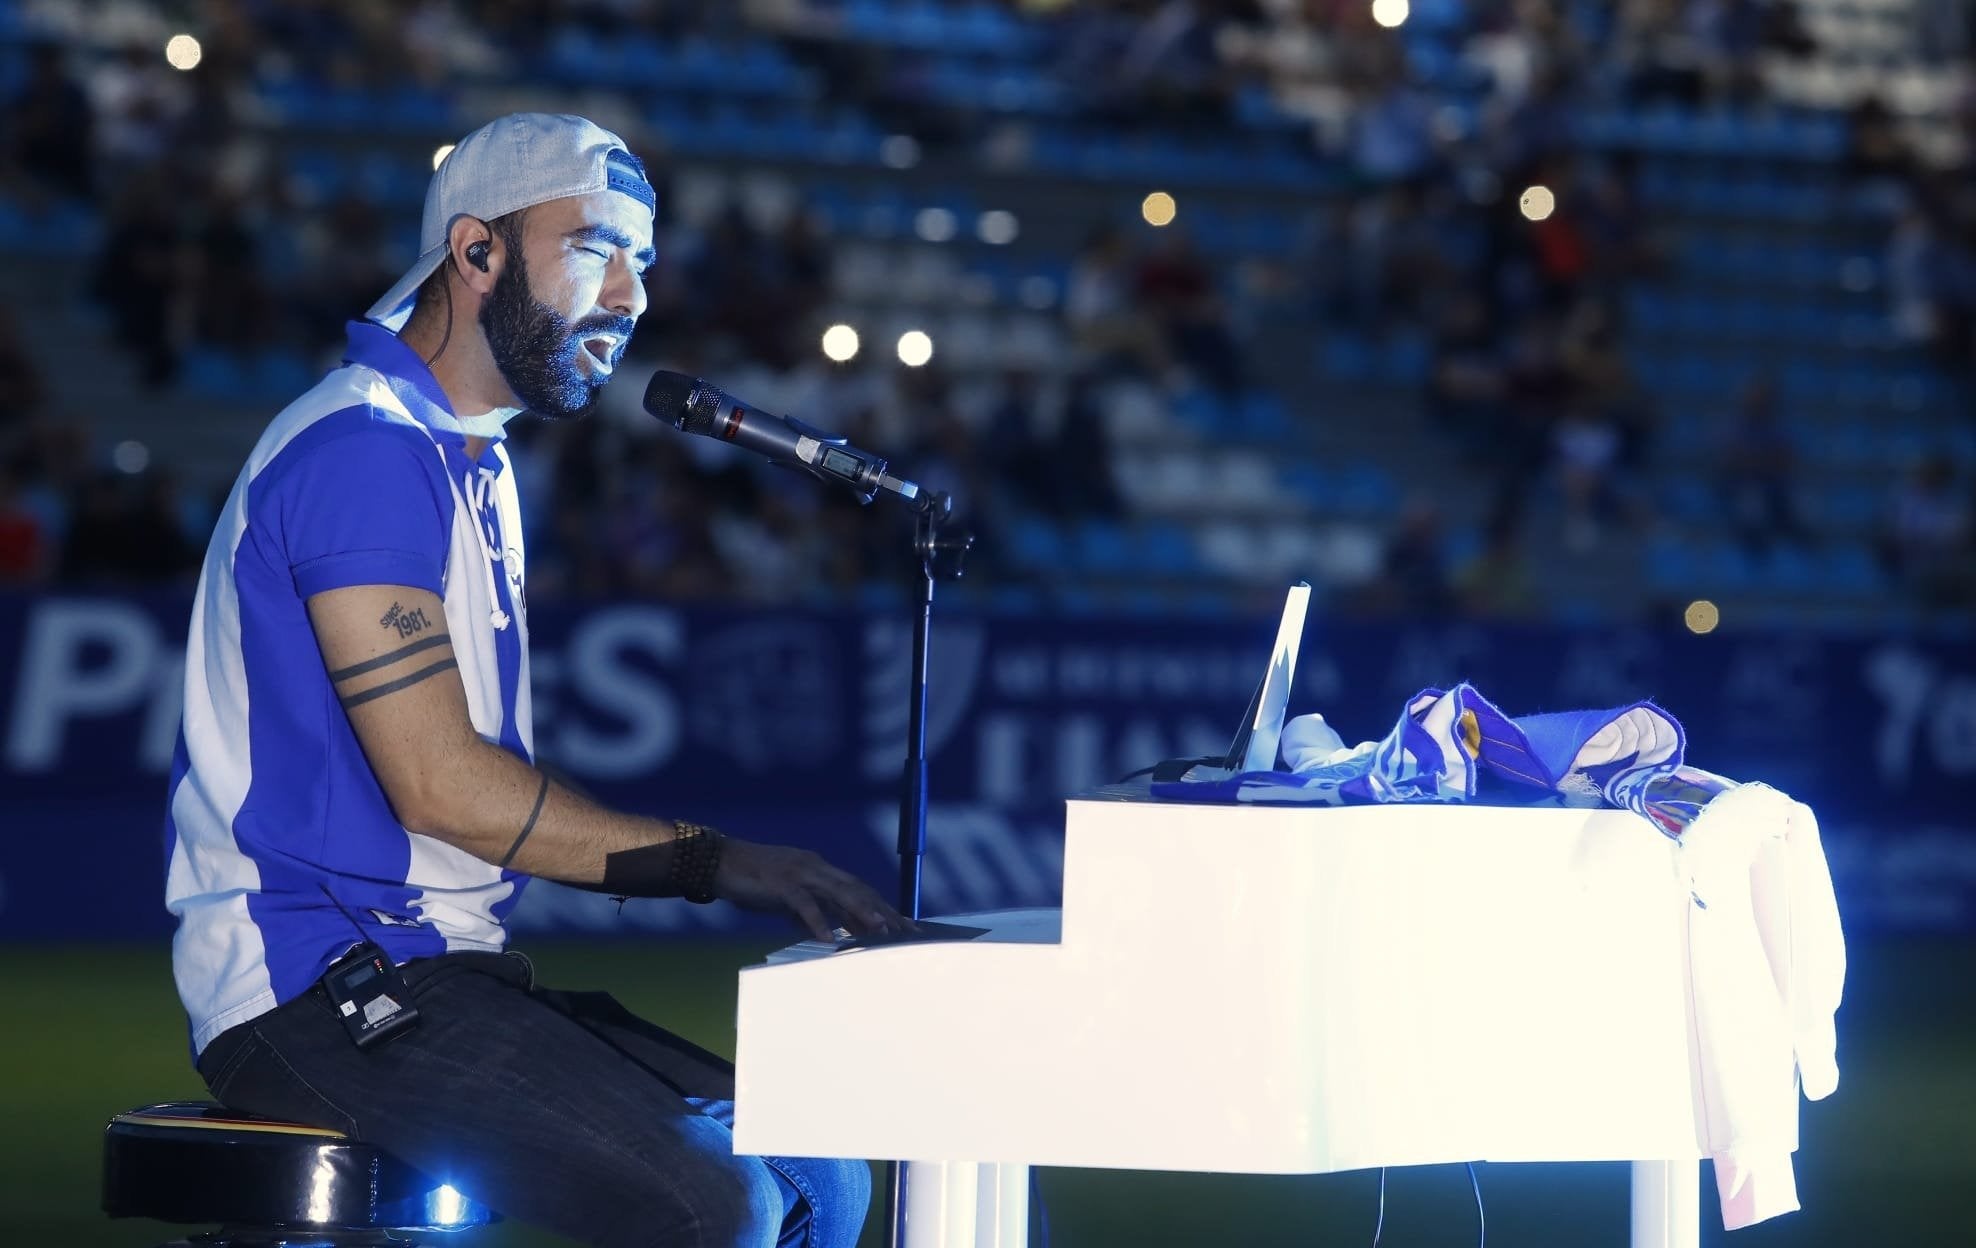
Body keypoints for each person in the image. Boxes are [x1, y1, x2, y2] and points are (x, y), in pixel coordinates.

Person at [162, 113, 900, 1248]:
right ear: (475, 252)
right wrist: (722, 863)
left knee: (823, 1170)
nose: (630, 296)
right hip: (314, 984)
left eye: (643, 263)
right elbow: (444, 789)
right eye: (596, 248)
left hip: (440, 974)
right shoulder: (362, 451)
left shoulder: (474, 453)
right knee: (718, 1203)